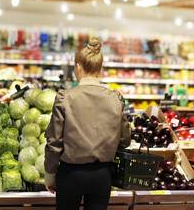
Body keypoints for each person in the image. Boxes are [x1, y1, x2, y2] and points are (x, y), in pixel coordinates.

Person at [44, 37, 131, 210]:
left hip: (70, 175)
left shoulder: (65, 98)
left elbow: (54, 142)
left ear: (78, 67)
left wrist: (50, 174)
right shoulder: (115, 98)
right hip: (103, 175)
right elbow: (125, 140)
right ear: (100, 69)